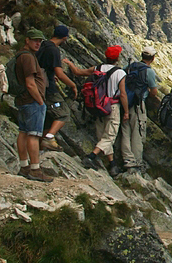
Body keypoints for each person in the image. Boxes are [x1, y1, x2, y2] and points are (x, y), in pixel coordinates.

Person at [66, 46, 129, 177]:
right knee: (109, 137)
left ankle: (113, 166)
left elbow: (78, 72)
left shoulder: (97, 68)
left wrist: (70, 64)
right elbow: (123, 94)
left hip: (98, 106)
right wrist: (127, 112)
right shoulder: (120, 73)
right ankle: (91, 157)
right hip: (112, 107)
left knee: (103, 137)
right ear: (117, 58)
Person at [13, 29, 53, 182]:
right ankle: (35, 169)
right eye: (35, 40)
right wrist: (40, 101)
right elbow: (30, 84)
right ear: (27, 40)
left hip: (23, 100)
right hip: (32, 101)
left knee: (23, 132)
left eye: (40, 41)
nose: (38, 43)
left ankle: (24, 167)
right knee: (34, 135)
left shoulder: (20, 55)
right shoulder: (28, 58)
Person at [36, 25, 77, 150]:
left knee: (49, 117)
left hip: (39, 85)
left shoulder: (43, 45)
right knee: (63, 113)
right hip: (49, 90)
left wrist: (49, 74)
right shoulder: (54, 50)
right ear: (64, 37)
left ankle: (41, 144)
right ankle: (49, 138)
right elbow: (59, 72)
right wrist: (73, 85)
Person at [120, 46, 160, 175]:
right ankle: (136, 162)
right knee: (137, 132)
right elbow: (154, 91)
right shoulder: (149, 71)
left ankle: (127, 159)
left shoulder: (130, 66)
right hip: (138, 104)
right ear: (152, 58)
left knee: (125, 131)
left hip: (125, 102)